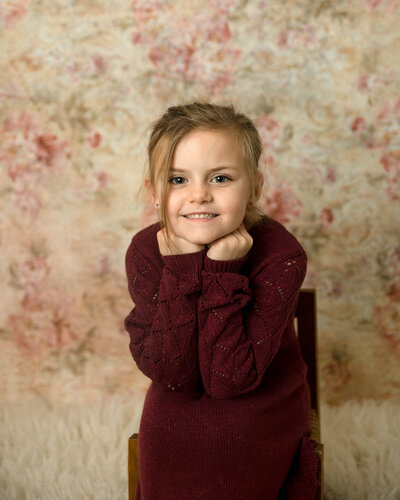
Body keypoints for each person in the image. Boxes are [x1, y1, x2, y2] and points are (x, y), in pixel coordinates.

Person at [124, 102, 319, 499]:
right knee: (170, 432)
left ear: (255, 188)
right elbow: (171, 373)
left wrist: (221, 275)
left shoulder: (281, 255)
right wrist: (181, 270)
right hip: (178, 381)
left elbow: (230, 380)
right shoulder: (147, 250)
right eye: (177, 179)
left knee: (226, 439)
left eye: (220, 178)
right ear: (152, 190)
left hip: (261, 390)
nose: (198, 195)